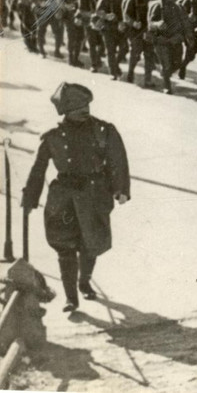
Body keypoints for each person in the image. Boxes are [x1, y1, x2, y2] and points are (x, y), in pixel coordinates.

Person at [22, 83, 131, 312]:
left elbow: (117, 160)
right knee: (65, 247)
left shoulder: (104, 131)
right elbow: (38, 169)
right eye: (77, 106)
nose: (85, 110)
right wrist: (30, 198)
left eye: (86, 105)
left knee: (90, 246)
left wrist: (120, 189)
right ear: (64, 110)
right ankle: (71, 297)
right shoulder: (52, 137)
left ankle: (84, 281)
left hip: (94, 196)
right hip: (64, 200)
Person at [147, 0, 194, 94]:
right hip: (161, 40)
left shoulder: (179, 8)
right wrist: (158, 24)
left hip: (176, 40)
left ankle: (165, 73)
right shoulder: (157, 6)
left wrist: (189, 37)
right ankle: (167, 85)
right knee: (166, 64)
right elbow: (150, 24)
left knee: (177, 63)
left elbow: (185, 24)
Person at [122, 0, 155, 86]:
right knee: (135, 53)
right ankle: (130, 72)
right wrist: (133, 23)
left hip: (148, 31)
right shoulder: (132, 0)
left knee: (149, 55)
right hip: (135, 32)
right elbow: (126, 16)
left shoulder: (152, 0)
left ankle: (148, 80)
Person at [96, 0, 129, 80]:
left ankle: (115, 65)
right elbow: (98, 11)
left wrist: (124, 23)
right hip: (108, 28)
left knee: (124, 48)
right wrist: (106, 15)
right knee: (110, 51)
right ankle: (113, 72)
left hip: (121, 28)